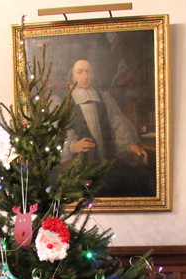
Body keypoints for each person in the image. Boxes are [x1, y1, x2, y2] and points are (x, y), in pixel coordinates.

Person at [62, 59, 154, 197]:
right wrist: (72, 146)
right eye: (80, 72)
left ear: (93, 75)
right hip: (79, 168)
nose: (85, 76)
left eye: (88, 72)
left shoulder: (104, 98)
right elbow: (59, 131)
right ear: (72, 76)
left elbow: (117, 123)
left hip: (107, 162)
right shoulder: (64, 100)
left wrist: (129, 146)